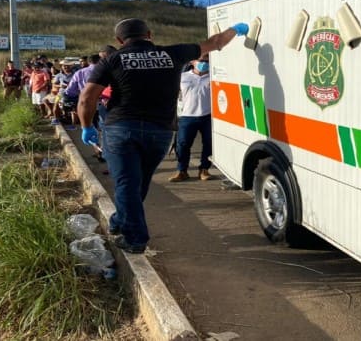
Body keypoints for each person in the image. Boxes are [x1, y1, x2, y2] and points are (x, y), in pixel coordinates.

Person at [78, 18, 248, 253]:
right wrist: (235, 30)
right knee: (139, 183)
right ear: (149, 34)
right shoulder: (174, 53)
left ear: (119, 41)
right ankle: (119, 221)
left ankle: (135, 239)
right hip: (159, 131)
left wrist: (86, 126)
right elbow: (216, 42)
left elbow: (87, 98)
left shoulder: (112, 59)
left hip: (121, 129)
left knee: (127, 183)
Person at [169, 53, 214, 182]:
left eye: (206, 59)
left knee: (209, 144)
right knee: (182, 145)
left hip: (208, 116)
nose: (204, 62)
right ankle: (182, 171)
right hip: (187, 116)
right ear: (192, 62)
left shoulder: (214, 77)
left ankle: (204, 169)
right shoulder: (182, 77)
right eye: (200, 60)